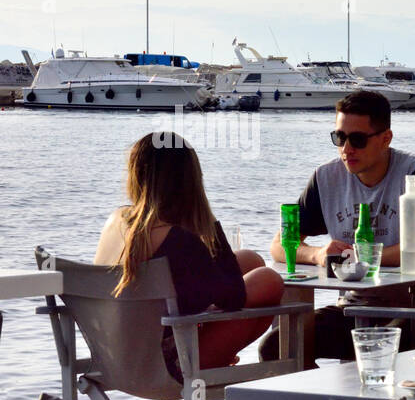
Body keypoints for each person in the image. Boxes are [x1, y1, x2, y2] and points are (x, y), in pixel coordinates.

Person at [265, 89, 415, 360]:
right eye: (340, 138)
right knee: (277, 347)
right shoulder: (326, 178)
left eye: (358, 139)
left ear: (386, 139)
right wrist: (317, 254)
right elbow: (279, 245)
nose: (346, 149)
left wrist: (361, 258)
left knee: (375, 353)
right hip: (351, 308)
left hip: (411, 310)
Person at [94, 132, 285, 379]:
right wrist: (208, 221)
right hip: (164, 368)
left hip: (114, 357)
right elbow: (234, 297)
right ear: (189, 183)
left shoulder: (117, 219)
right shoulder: (179, 242)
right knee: (268, 280)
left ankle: (219, 353)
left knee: (250, 260)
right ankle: (221, 357)